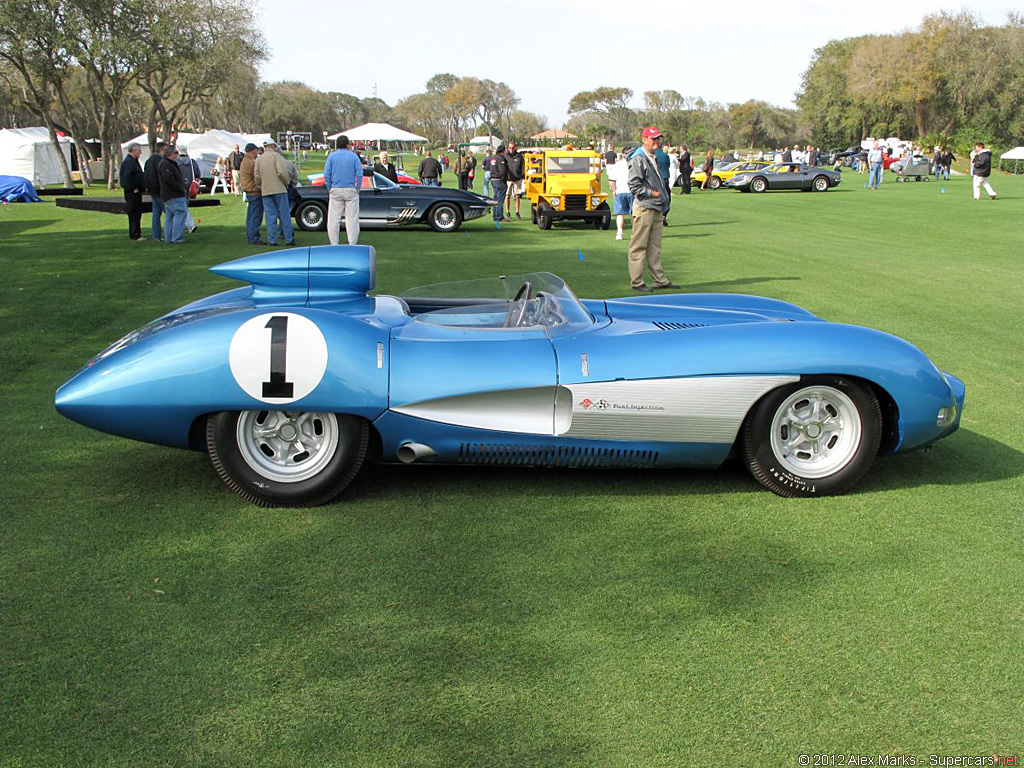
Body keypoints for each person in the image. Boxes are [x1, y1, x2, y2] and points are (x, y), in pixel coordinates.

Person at [626, 127, 678, 292]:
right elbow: (634, 185)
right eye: (653, 138)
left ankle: (659, 280)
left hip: (655, 207)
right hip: (644, 207)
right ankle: (637, 282)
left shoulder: (651, 157)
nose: (657, 141)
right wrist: (652, 193)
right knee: (639, 246)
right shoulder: (638, 158)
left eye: (658, 139)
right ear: (645, 139)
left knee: (655, 247)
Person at [254, 140, 296, 247]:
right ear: (272, 146)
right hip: (279, 189)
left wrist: (261, 186)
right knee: (284, 215)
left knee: (270, 216)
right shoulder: (277, 156)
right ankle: (288, 238)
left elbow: (257, 176)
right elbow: (282, 172)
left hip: (266, 190)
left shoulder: (259, 159)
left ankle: (272, 240)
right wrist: (286, 183)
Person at [323, 134, 363, 245]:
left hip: (335, 189)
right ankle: (352, 243)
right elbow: (359, 173)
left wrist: (329, 187)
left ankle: (334, 243)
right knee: (352, 219)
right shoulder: (353, 156)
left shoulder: (332, 156)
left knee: (333, 219)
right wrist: (358, 188)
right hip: (350, 189)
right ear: (347, 144)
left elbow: (327, 173)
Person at [157, 145, 187, 244]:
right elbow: (170, 180)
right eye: (175, 153)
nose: (177, 155)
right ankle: (177, 237)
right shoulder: (166, 164)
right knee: (180, 213)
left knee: (169, 216)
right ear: (170, 154)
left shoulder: (169, 163)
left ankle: (169, 238)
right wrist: (180, 187)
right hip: (173, 195)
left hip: (169, 195)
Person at [118, 142, 146, 241]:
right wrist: (134, 188)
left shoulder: (133, 161)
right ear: (133, 150)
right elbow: (125, 180)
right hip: (133, 193)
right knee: (134, 212)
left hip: (137, 192)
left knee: (137, 213)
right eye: (139, 150)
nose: (140, 152)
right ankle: (135, 234)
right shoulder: (129, 163)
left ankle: (136, 233)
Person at [238, 143, 263, 244]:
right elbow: (258, 176)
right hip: (255, 192)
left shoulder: (245, 161)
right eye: (257, 151)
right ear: (253, 151)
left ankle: (250, 236)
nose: (257, 153)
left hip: (249, 191)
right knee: (256, 216)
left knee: (251, 216)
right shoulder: (251, 163)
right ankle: (254, 237)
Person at [144, 140, 167, 241]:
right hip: (160, 191)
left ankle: (156, 236)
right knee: (169, 213)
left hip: (152, 191)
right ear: (162, 150)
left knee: (156, 214)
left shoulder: (149, 161)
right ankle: (171, 234)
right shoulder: (160, 161)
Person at [607, 151, 633, 241]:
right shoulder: (634, 164)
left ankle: (619, 232)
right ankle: (634, 233)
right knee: (634, 214)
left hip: (620, 191)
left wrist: (614, 191)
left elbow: (612, 180)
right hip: (632, 191)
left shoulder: (616, 165)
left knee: (620, 214)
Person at [487, 144, 508, 222]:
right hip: (499, 180)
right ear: (503, 151)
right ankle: (499, 216)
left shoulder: (493, 158)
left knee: (495, 198)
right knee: (500, 199)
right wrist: (504, 179)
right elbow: (502, 171)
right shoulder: (500, 158)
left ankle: (495, 216)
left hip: (493, 179)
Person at [505, 141, 525, 219]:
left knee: (517, 196)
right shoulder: (505, 156)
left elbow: (523, 166)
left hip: (517, 179)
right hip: (508, 179)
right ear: (508, 148)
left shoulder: (519, 156)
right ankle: (507, 212)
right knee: (507, 196)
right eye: (510, 148)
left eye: (513, 148)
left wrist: (522, 175)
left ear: (515, 148)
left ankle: (517, 212)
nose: (511, 149)